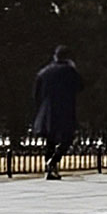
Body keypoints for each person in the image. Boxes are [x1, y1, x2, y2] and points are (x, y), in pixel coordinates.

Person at [33, 45, 84, 180]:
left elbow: (36, 94)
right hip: (64, 109)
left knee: (50, 140)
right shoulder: (69, 70)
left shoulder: (43, 72)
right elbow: (80, 86)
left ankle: (49, 169)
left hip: (46, 110)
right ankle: (53, 161)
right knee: (67, 138)